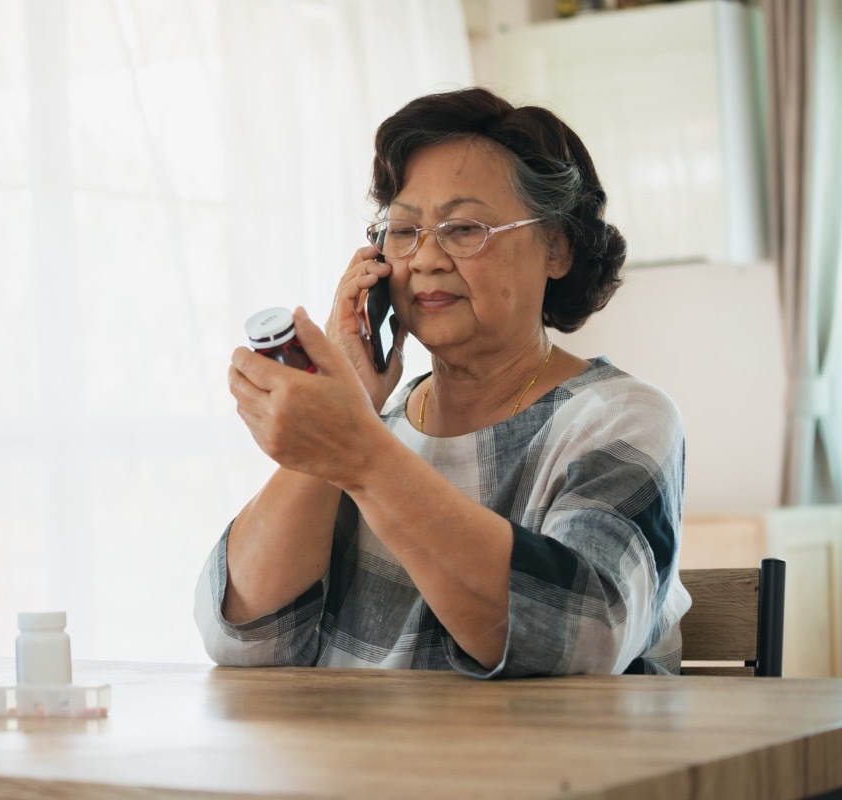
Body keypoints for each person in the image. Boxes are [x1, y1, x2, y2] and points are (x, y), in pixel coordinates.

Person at [193, 87, 691, 678]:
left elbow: (578, 637)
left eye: (464, 228)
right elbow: (244, 639)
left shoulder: (620, 418)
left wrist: (359, 452)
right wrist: (342, 417)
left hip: (538, 766)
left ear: (556, 246)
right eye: (403, 231)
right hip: (355, 765)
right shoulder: (375, 428)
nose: (426, 258)